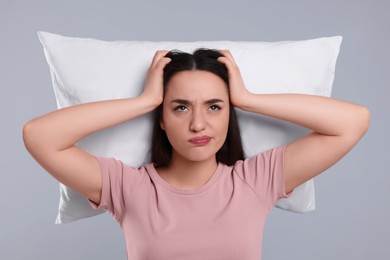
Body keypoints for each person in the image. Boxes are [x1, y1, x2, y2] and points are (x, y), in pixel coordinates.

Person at [23, 48, 370, 259]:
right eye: (181, 108)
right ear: (162, 119)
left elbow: (353, 121)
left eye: (215, 107)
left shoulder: (254, 181)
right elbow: (39, 136)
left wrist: (248, 99)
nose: (199, 125)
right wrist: (143, 102)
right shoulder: (128, 188)